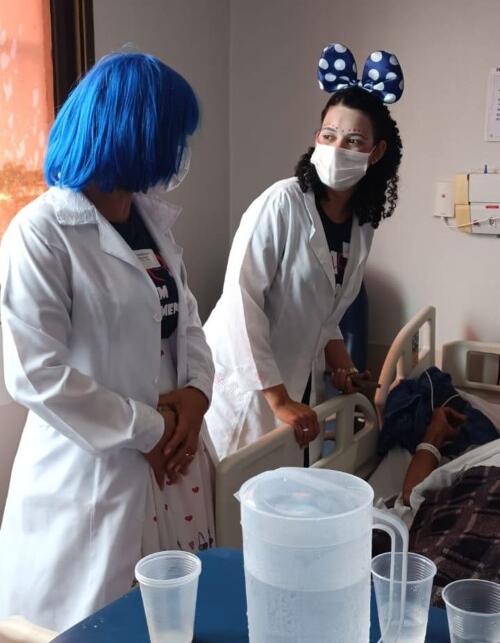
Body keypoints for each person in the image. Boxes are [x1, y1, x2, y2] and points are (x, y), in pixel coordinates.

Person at [0, 52, 215, 632]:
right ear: (134, 131)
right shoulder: (41, 234)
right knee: (87, 626)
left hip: (169, 459)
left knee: (169, 619)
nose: (179, 152)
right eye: (173, 135)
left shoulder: (150, 223)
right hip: (88, 477)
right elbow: (35, 374)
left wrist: (198, 392)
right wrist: (149, 429)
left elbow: (186, 319)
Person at [204, 43, 404, 459]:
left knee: (275, 484)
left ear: (376, 152)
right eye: (329, 135)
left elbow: (325, 314)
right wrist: (278, 399)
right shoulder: (281, 204)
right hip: (245, 388)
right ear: (316, 139)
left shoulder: (361, 225)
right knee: (232, 485)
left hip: (296, 386)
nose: (337, 148)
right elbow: (240, 304)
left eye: (354, 140)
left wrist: (343, 367)